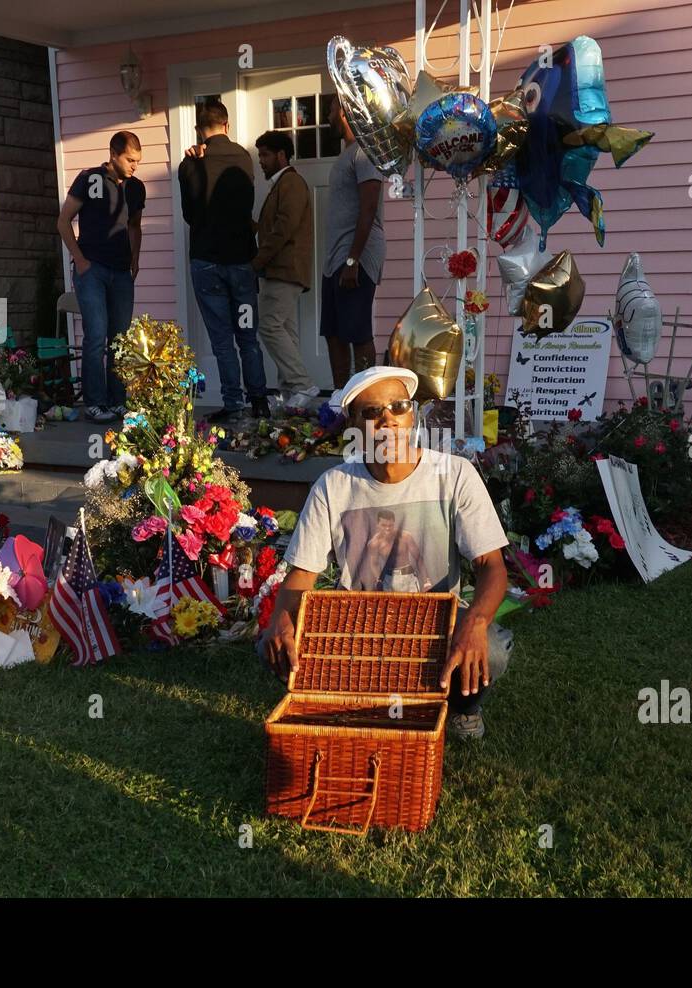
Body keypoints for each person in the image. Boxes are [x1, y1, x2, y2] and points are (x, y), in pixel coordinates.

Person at [259, 366, 514, 739]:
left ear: (413, 414)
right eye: (372, 412)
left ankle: (462, 709)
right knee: (275, 643)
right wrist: (282, 618)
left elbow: (491, 565)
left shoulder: (456, 474)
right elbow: (301, 577)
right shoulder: (333, 486)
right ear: (353, 425)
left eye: (398, 406)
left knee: (491, 648)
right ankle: (352, 700)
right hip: (357, 623)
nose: (388, 419)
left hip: (434, 619)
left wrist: (474, 623)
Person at [178, 100, 269, 422]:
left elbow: (190, 215)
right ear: (226, 126)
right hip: (241, 263)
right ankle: (259, 401)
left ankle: (234, 405)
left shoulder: (190, 164)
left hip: (207, 263)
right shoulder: (244, 158)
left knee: (222, 340)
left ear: (199, 130)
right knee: (248, 335)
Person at [57, 130, 145, 425]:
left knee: (119, 340)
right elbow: (63, 220)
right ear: (114, 154)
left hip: (121, 272)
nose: (135, 166)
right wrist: (80, 260)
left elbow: (135, 226)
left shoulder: (136, 188)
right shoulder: (89, 178)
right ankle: (94, 403)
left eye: (138, 161)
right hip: (92, 269)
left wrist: (135, 259)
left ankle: (118, 401)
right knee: (96, 336)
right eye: (130, 160)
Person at [321, 95, 385, 388]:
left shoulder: (365, 152)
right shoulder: (346, 155)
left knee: (357, 332)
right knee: (334, 332)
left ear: (345, 111)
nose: (328, 114)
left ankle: (365, 400)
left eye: (332, 109)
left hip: (355, 259)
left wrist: (353, 260)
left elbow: (369, 208)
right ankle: (339, 400)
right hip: (336, 260)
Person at [252, 130, 317, 409]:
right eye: (259, 156)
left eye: (265, 155)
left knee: (269, 327)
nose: (261, 161)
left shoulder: (290, 182)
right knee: (285, 332)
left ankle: (302, 384)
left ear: (281, 155)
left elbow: (283, 229)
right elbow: (275, 227)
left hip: (283, 269)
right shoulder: (283, 184)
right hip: (284, 269)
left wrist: (257, 261)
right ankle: (291, 396)